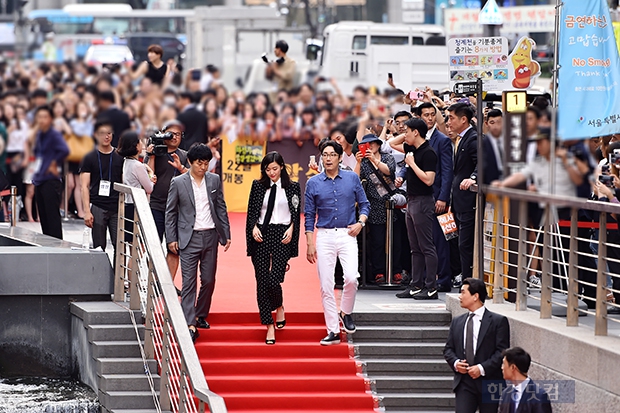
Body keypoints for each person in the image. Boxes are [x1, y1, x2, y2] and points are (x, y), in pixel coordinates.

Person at [304, 140, 370, 345]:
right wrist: (309, 242)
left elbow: (365, 204)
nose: (328, 158)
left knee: (351, 278)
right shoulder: (313, 182)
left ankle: (346, 312)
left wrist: (361, 222)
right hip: (324, 235)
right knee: (326, 285)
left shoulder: (351, 178)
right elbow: (308, 214)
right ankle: (332, 329)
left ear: (340, 157)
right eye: (325, 154)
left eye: (332, 154)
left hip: (348, 233)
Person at [165, 143, 231, 343]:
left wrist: (226, 233)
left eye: (206, 163)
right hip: (188, 237)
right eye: (199, 163)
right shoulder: (178, 182)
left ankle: (201, 314)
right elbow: (171, 212)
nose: (203, 167)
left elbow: (220, 206)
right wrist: (171, 238)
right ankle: (190, 323)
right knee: (188, 283)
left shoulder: (214, 180)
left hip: (210, 235)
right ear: (190, 162)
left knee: (209, 280)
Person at [245, 151, 301, 345]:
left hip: (282, 234)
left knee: (274, 278)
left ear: (282, 167)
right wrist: (253, 228)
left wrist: (292, 230)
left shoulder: (293, 187)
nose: (271, 173)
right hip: (261, 233)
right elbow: (252, 211)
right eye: (267, 169)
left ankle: (279, 306)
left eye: (275, 169)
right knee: (261, 280)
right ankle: (269, 325)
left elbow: (295, 212)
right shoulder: (258, 186)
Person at [443, 277, 511, 413]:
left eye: (463, 292)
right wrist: (456, 363)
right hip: (464, 382)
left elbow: (502, 352)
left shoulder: (498, 321)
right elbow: (448, 349)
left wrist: (481, 368)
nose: (460, 296)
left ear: (475, 296)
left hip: (490, 382)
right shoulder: (457, 322)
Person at [390, 118, 438, 299]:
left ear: (416, 132)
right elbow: (391, 143)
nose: (405, 135)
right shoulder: (411, 149)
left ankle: (431, 287)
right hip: (411, 201)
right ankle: (416, 285)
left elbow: (429, 180)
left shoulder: (429, 153)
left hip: (424, 201)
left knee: (426, 246)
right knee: (414, 247)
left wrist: (412, 164)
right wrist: (406, 133)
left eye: (408, 131)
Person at [144, 119, 189, 275]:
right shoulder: (156, 153)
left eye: (178, 134)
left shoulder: (184, 156)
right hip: (157, 205)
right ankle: (152, 284)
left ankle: (168, 284)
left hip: (178, 209)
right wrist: (152, 155)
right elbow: (149, 178)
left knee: (174, 248)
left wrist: (181, 168)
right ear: (163, 135)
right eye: (171, 134)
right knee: (154, 246)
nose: (174, 137)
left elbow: (194, 179)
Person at [356, 133, 396, 284]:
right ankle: (379, 271)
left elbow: (389, 171)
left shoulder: (387, 157)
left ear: (378, 145)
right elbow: (356, 179)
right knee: (377, 241)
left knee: (395, 240)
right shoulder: (364, 162)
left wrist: (374, 159)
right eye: (366, 144)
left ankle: (396, 270)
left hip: (392, 203)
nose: (369, 146)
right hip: (373, 204)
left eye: (372, 143)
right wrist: (359, 162)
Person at [80, 120, 124, 251]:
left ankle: (118, 272)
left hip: (117, 205)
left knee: (120, 246)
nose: (106, 136)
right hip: (98, 205)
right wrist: (87, 212)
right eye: (102, 133)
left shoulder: (119, 156)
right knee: (99, 246)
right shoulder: (89, 157)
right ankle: (100, 272)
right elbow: (84, 186)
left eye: (109, 133)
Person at [32, 105, 69, 239]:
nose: (42, 120)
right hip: (39, 179)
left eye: (45, 117)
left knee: (52, 217)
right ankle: (47, 246)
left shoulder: (54, 134)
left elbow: (64, 150)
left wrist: (54, 162)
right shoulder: (40, 134)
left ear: (51, 119)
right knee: (44, 217)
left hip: (51, 180)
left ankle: (57, 248)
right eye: (39, 117)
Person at [118, 130, 156, 244]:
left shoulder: (127, 162)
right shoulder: (138, 165)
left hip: (128, 205)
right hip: (137, 206)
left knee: (132, 244)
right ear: (135, 145)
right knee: (138, 245)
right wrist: (152, 177)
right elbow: (149, 188)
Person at [498, 347, 553, 413]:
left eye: (504, 364)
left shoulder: (539, 396)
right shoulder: (505, 394)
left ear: (513, 367)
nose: (502, 367)